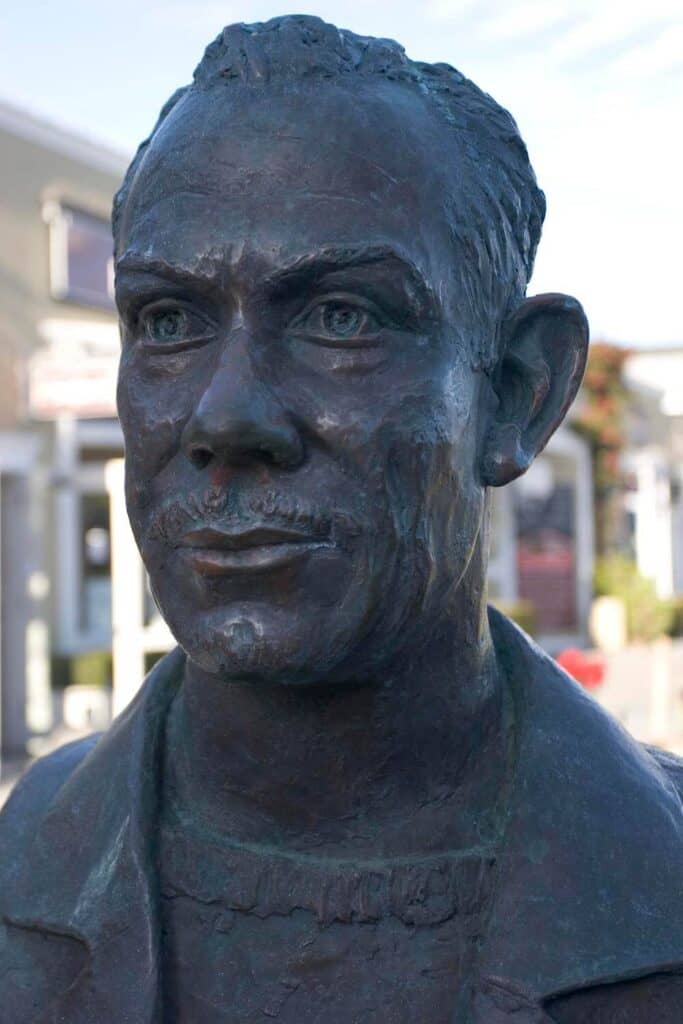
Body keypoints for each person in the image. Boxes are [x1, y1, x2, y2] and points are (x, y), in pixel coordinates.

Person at [2, 16, 683, 1023]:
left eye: (340, 316)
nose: (225, 417)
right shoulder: (28, 862)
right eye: (167, 320)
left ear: (515, 393)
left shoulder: (654, 879)